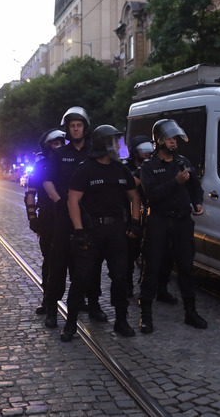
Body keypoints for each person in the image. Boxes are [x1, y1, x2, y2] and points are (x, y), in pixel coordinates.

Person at [61, 124, 143, 341]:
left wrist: (135, 221)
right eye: (114, 141)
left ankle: (121, 320)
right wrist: (78, 230)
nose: (117, 145)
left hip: (116, 231)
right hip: (91, 231)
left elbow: (134, 195)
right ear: (103, 144)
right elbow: (73, 200)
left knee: (119, 277)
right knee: (81, 278)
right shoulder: (85, 169)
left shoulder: (120, 169)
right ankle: (70, 324)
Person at [138, 119, 207, 334]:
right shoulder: (149, 167)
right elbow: (151, 195)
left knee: (186, 266)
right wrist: (174, 182)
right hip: (159, 219)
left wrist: (197, 203)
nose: (173, 142)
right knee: (152, 266)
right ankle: (146, 315)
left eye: (175, 138)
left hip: (182, 220)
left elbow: (196, 187)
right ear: (158, 141)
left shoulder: (183, 162)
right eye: (169, 138)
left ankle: (190, 311)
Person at [41, 107, 105, 329]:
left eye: (79, 125)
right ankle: (51, 309)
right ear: (67, 129)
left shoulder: (94, 153)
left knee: (92, 264)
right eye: (72, 126)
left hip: (89, 218)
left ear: (85, 128)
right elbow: (47, 181)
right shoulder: (59, 154)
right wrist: (60, 202)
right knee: (58, 263)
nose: (76, 129)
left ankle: (94, 304)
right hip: (64, 217)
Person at [124, 136, 177, 303]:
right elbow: (127, 185)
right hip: (131, 216)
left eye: (148, 149)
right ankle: (127, 287)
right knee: (129, 255)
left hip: (153, 216)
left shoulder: (156, 164)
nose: (146, 153)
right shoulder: (126, 167)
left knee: (162, 256)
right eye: (142, 150)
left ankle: (161, 289)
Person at [24, 127, 65, 315]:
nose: (59, 146)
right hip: (49, 217)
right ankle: (48, 299)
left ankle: (83, 299)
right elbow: (30, 195)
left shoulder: (70, 162)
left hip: (70, 216)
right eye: (55, 143)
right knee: (50, 260)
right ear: (47, 146)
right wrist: (33, 218)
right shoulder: (40, 167)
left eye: (61, 143)